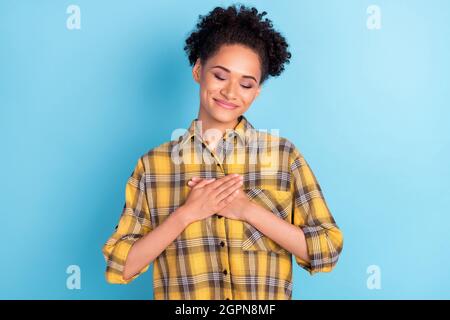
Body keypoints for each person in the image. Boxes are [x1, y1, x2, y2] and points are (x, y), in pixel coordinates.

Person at [102, 4, 343, 300]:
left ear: (256, 92)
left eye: (246, 83)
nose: (231, 92)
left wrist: (247, 210)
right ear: (198, 70)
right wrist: (187, 214)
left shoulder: (283, 156)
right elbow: (119, 265)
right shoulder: (154, 165)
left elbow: (327, 250)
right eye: (220, 76)